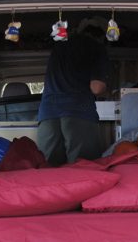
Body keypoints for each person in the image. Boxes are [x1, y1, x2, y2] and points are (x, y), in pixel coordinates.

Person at [37, 18, 109, 166]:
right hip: (78, 111)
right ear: (102, 35)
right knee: (83, 168)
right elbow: (96, 87)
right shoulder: (96, 48)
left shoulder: (59, 46)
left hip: (48, 113)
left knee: (48, 169)